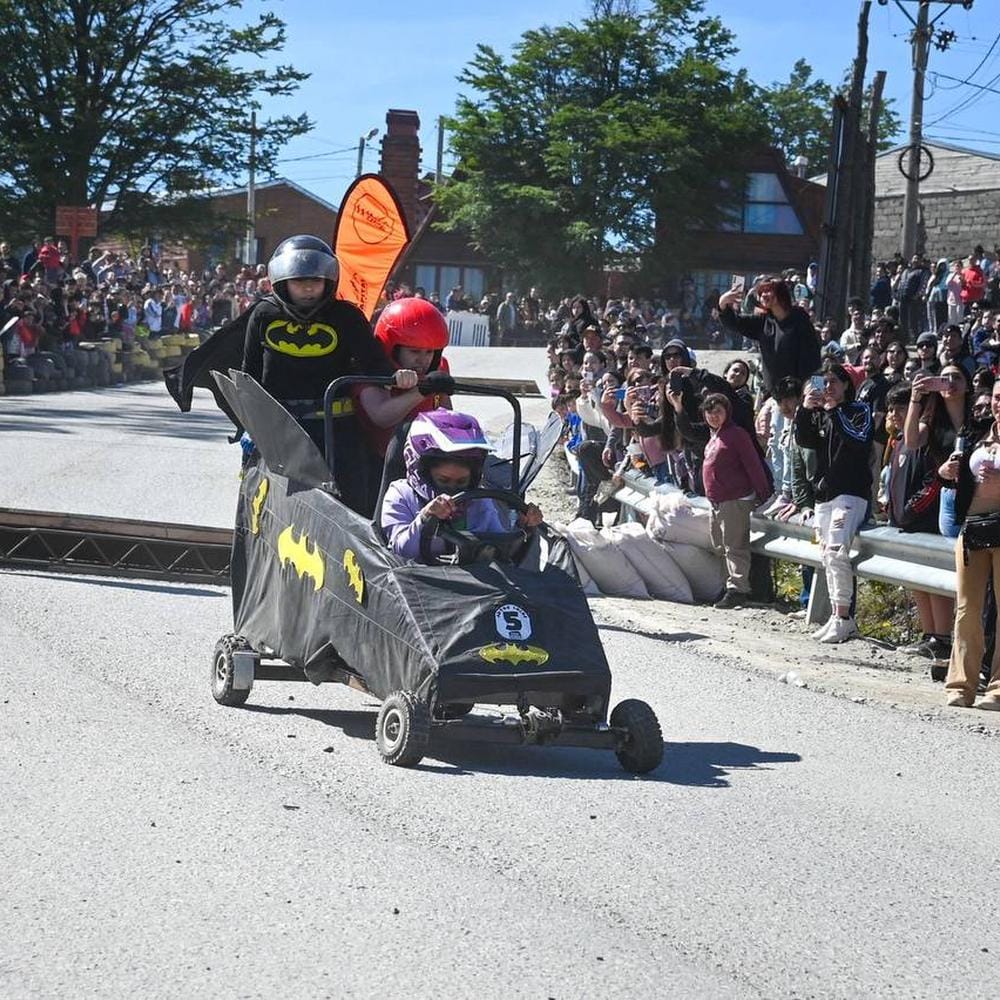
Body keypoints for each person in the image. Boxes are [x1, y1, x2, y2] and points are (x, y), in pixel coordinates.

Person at [242, 235, 415, 514]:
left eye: (315, 280)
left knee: (348, 506)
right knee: (278, 508)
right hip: (281, 431)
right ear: (283, 281)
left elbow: (374, 363)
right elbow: (248, 373)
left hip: (337, 432)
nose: (308, 288)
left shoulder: (346, 316)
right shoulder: (263, 314)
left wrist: (398, 376)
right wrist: (251, 424)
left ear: (328, 281)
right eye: (299, 281)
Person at [380, 410, 542, 561]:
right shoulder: (400, 495)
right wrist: (425, 517)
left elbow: (499, 547)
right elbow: (401, 551)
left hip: (471, 578)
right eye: (443, 481)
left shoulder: (479, 500)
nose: (452, 490)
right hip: (415, 577)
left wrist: (524, 526)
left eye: (461, 482)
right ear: (422, 471)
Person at [795, 361, 874, 643]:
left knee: (837, 551)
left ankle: (844, 617)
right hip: (824, 494)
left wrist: (834, 413)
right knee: (827, 555)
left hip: (851, 492)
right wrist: (806, 409)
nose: (827, 388)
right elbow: (803, 440)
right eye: (823, 382)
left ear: (846, 385)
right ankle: (836, 615)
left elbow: (859, 440)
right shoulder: (819, 413)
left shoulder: (859, 410)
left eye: (833, 382)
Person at [937, 380, 1000, 708]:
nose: (998, 403)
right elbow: (954, 472)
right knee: (966, 609)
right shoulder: (977, 433)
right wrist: (945, 472)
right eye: (997, 397)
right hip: (973, 528)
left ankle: (998, 689)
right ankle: (961, 685)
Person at [356, 296, 454, 458]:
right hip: (377, 458)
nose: (423, 360)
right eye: (414, 351)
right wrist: (421, 391)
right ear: (393, 348)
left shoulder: (439, 366)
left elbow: (446, 414)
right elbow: (381, 417)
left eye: (429, 352)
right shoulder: (368, 369)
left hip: (425, 456)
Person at [700, 393, 772, 609]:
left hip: (736, 499)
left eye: (718, 411)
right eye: (709, 412)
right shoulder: (714, 436)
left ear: (727, 412)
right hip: (717, 501)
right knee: (720, 545)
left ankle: (738, 589)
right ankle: (728, 585)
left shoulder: (737, 434)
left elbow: (753, 465)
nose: (713, 416)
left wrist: (764, 494)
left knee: (735, 546)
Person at [717, 278, 820, 397]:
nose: (763, 295)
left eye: (768, 291)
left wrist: (818, 391)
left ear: (781, 293)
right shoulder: (763, 322)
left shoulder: (800, 320)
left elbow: (815, 361)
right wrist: (723, 303)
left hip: (799, 395)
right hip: (773, 396)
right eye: (761, 293)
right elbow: (734, 323)